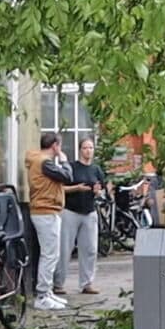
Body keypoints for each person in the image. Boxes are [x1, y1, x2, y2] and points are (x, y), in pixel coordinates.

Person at [24, 133, 84, 311]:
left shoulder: (38, 160)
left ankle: (47, 292)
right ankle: (42, 295)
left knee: (51, 254)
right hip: (46, 210)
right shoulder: (45, 162)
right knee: (50, 254)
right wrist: (64, 160)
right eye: (60, 146)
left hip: (47, 209)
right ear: (55, 146)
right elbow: (67, 176)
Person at [59, 137, 107, 295]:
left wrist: (98, 191)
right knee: (65, 247)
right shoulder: (72, 167)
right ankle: (58, 283)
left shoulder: (96, 169)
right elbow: (60, 189)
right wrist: (77, 188)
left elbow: (102, 188)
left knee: (90, 249)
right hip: (71, 210)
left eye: (91, 148)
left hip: (89, 210)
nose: (88, 151)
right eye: (85, 148)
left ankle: (87, 283)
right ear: (80, 150)